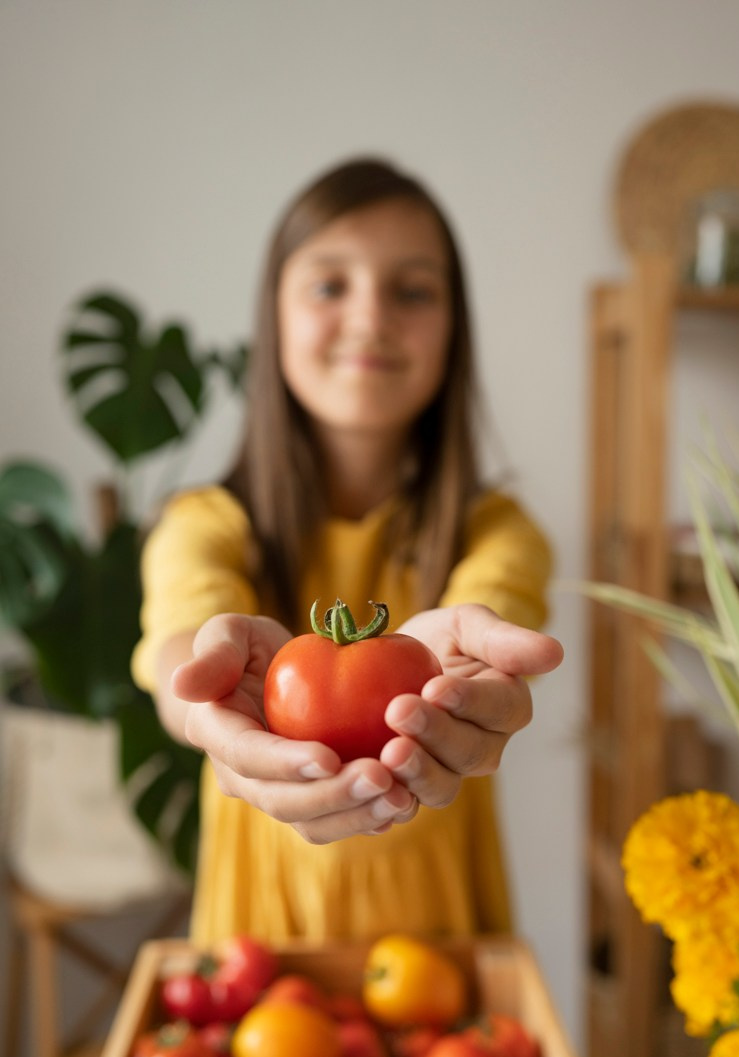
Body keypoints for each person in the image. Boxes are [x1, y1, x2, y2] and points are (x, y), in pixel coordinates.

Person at [131, 156, 563, 946]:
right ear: (275, 318)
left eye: (412, 290)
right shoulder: (202, 523)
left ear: (454, 330)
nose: (370, 319)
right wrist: (203, 701)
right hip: (256, 948)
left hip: (447, 948)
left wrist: (474, 668)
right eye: (331, 285)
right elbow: (179, 643)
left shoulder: (498, 530)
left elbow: (496, 601)